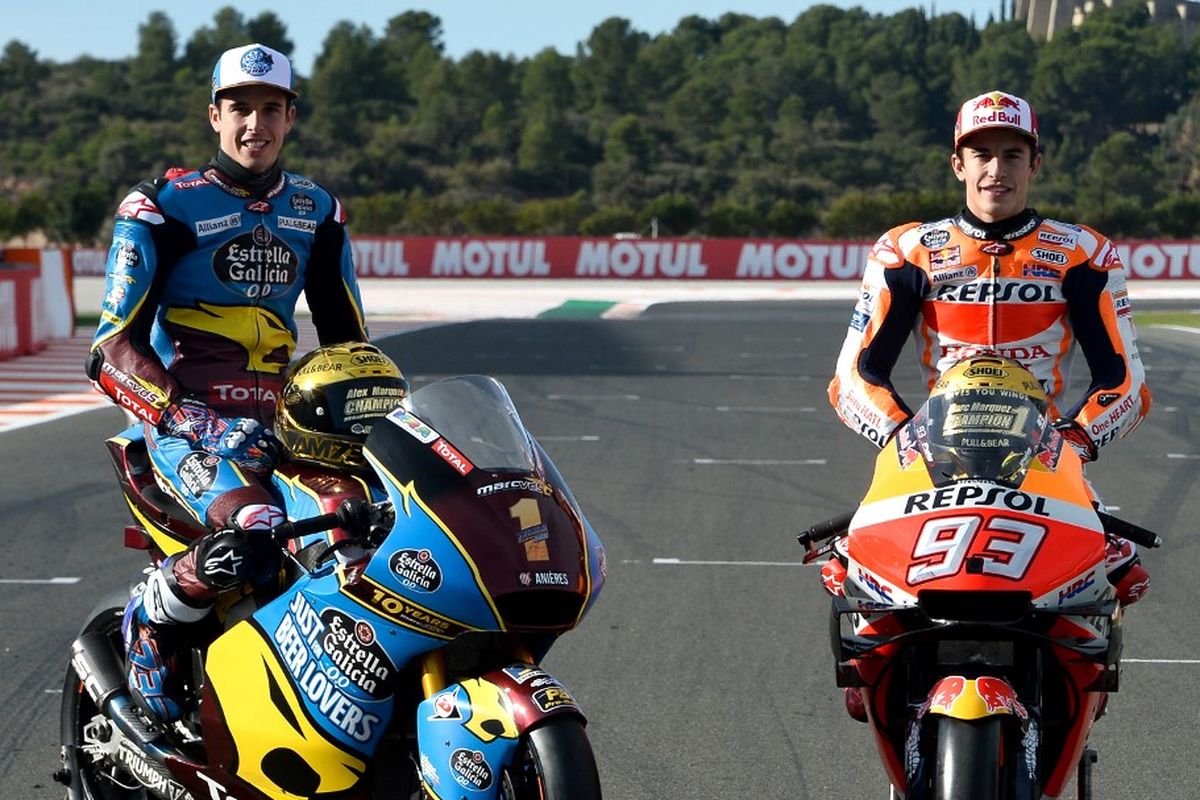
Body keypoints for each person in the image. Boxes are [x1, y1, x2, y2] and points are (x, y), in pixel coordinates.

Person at [826, 89, 1152, 720]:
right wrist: (899, 435)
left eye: (1011, 153)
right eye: (980, 154)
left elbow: (1125, 382)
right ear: (958, 164)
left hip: (1042, 453)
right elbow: (853, 374)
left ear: (1036, 163)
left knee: (1121, 570)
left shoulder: (1083, 251)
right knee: (848, 559)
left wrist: (1075, 444)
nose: (995, 169)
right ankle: (879, 669)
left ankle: (1070, 705)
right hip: (932, 449)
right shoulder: (907, 250)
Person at [87, 43, 370, 722]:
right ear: (215, 116)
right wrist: (195, 422)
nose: (255, 124)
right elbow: (108, 350)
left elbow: (350, 346)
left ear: (290, 118)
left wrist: (383, 420)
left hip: (285, 426)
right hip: (187, 429)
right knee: (256, 530)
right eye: (240, 108)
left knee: (372, 531)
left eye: (270, 109)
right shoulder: (160, 208)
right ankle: (151, 622)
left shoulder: (317, 211)